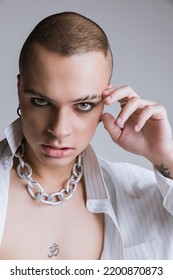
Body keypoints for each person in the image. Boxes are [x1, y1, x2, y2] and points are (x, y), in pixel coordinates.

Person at [0, 11, 173, 260]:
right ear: (20, 91)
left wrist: (167, 157)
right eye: (41, 101)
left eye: (83, 105)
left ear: (106, 101)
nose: (59, 129)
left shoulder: (142, 194)